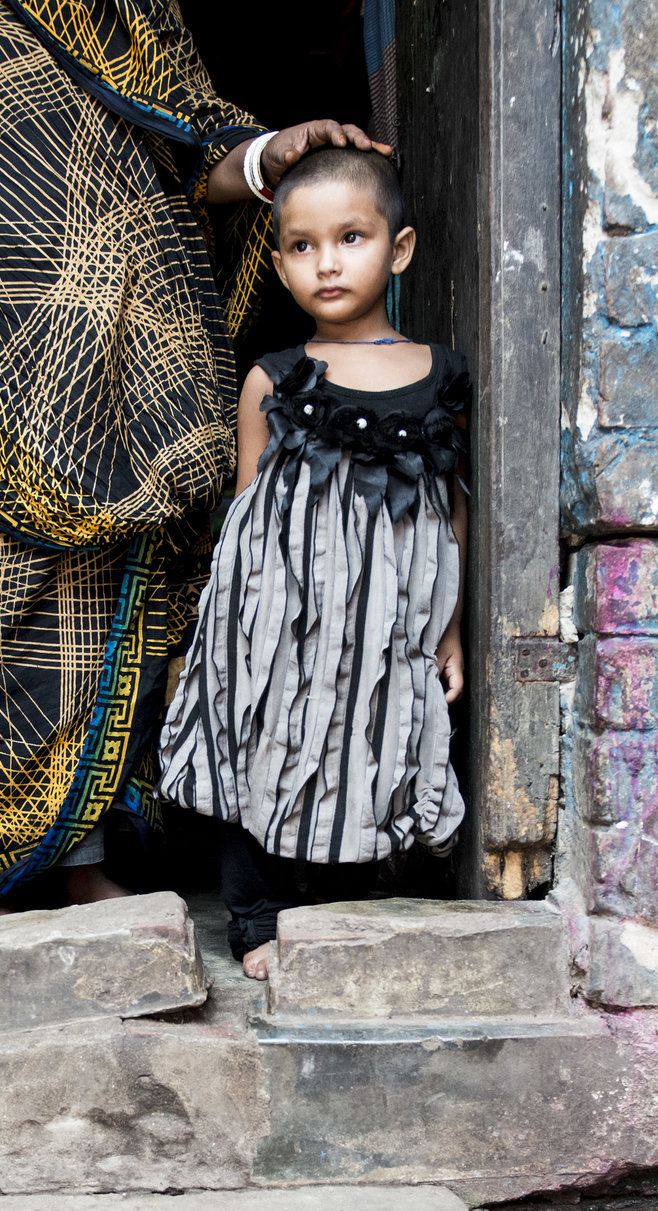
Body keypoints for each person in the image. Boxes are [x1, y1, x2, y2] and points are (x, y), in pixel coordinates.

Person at [0, 0, 388, 922]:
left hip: (107, 366)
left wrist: (267, 156)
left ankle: (83, 865)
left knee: (87, 625)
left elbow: (183, 138)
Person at [157, 145, 469, 978]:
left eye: (351, 238)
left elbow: (451, 505)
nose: (327, 262)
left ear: (397, 250)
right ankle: (256, 919)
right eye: (302, 245)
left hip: (387, 621)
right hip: (285, 617)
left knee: (379, 737)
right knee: (265, 742)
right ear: (279, 263)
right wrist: (233, 636)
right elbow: (248, 508)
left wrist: (452, 630)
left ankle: (362, 907)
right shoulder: (273, 378)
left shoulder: (439, 375)